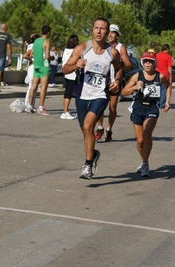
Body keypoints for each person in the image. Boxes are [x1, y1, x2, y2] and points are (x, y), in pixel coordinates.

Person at [62, 17, 123, 179]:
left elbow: (119, 69)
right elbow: (65, 69)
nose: (99, 31)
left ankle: (88, 165)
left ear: (107, 32)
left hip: (101, 95)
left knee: (89, 126)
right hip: (82, 94)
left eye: (102, 28)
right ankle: (93, 154)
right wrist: (76, 66)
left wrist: (117, 81)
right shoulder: (82, 48)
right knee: (85, 129)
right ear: (92, 29)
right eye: (96, 27)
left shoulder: (112, 52)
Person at [121, 51, 170, 177]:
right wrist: (135, 87)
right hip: (138, 107)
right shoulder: (137, 76)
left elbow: (168, 85)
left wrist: (167, 101)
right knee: (140, 141)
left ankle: (145, 163)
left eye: (151, 62)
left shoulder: (160, 76)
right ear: (142, 63)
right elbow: (124, 92)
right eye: (146, 61)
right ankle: (143, 161)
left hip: (152, 108)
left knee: (147, 134)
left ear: (155, 64)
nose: (148, 64)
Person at [95, 24, 132, 142]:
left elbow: (129, 66)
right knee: (99, 107)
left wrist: (119, 64)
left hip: (115, 81)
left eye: (113, 32)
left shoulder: (121, 48)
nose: (110, 34)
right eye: (109, 32)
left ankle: (109, 130)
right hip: (101, 81)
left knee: (112, 108)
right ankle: (100, 128)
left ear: (117, 36)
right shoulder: (102, 46)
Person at [26, 25, 52, 115]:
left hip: (36, 66)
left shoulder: (36, 41)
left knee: (33, 87)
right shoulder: (46, 42)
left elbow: (32, 54)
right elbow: (48, 56)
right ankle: (41, 107)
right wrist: (51, 58)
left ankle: (29, 106)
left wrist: (38, 56)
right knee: (43, 87)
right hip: (44, 66)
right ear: (48, 32)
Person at [60, 34, 79, 120]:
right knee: (69, 95)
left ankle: (65, 110)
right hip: (72, 74)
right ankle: (65, 112)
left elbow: (63, 62)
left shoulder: (66, 50)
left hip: (66, 73)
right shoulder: (75, 51)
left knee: (66, 93)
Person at [23, 34, 40, 111]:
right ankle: (28, 105)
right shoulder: (34, 46)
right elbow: (25, 55)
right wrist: (32, 59)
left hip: (31, 67)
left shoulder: (30, 45)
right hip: (33, 67)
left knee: (33, 87)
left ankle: (31, 105)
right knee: (32, 87)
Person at [155, 44, 173, 110]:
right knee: (163, 90)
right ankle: (162, 104)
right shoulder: (168, 57)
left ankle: (156, 102)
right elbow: (169, 67)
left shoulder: (157, 55)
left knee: (157, 89)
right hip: (165, 75)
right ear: (167, 49)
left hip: (156, 74)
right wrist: (171, 76)